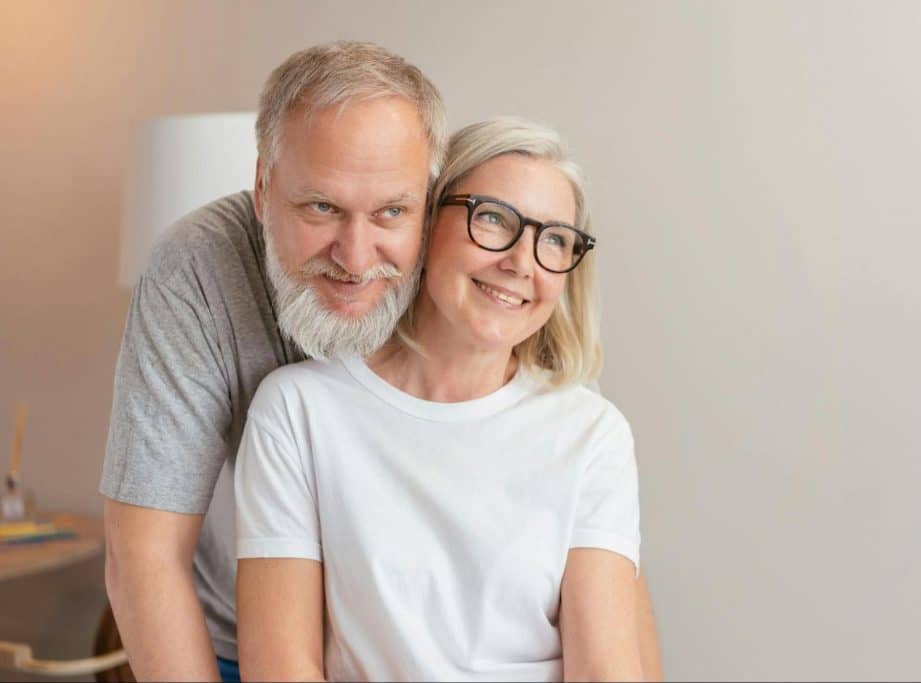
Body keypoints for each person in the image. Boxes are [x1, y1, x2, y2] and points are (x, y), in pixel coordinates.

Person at [101, 41, 661, 682]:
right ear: (263, 188)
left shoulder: (515, 327)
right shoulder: (204, 282)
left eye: (392, 211)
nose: (357, 256)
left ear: (427, 201)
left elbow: (598, 551)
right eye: (321, 207)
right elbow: (144, 558)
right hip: (229, 639)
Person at [235, 117, 647, 681]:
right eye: (495, 219)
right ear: (425, 226)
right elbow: (279, 668)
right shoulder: (300, 410)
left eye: (554, 239)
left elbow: (605, 670)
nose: (522, 263)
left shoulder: (591, 433)